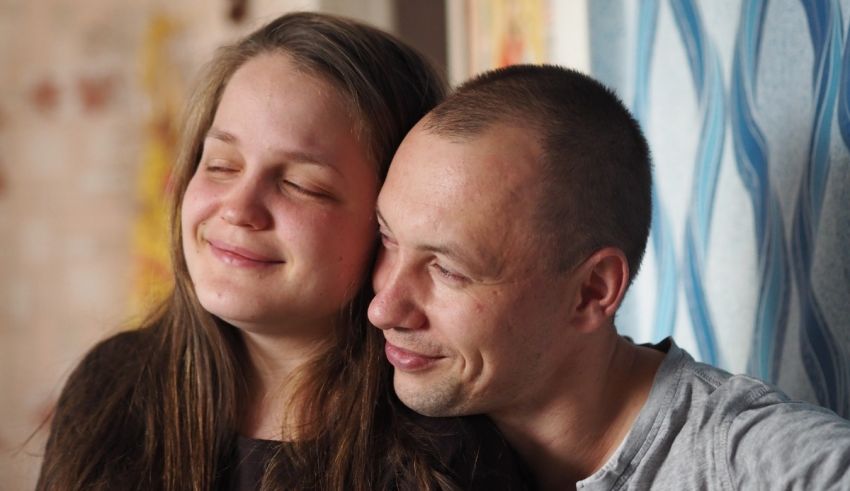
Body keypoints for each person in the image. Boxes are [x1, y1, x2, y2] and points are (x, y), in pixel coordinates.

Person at [37, 12, 527, 491]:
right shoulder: (112, 386)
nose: (239, 209)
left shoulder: (452, 452)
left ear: (391, 225)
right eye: (222, 165)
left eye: (300, 184)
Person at [368, 64, 850, 490]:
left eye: (448, 269)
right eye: (387, 238)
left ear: (592, 291)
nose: (383, 308)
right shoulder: (403, 436)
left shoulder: (747, 462)